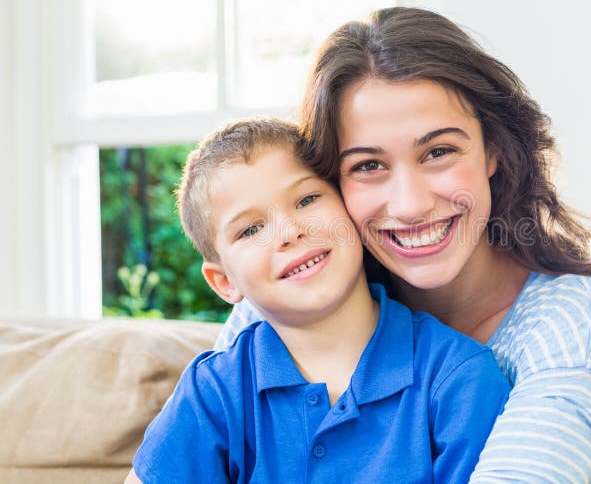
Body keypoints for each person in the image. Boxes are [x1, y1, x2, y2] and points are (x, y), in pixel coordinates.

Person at [217, 7, 591, 483]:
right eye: (368, 166)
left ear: (492, 150)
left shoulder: (571, 313)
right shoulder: (293, 295)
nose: (411, 205)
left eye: (439, 152)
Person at [125, 118, 510, 483]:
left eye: (307, 199)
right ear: (224, 282)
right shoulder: (214, 392)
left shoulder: (458, 379)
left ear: (351, 207)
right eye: (251, 229)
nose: (289, 231)